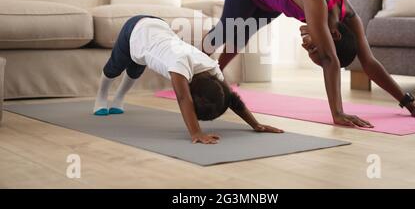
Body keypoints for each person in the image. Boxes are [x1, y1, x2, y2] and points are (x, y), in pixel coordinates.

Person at [203, 0, 415, 128]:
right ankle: (197, 60)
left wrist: (410, 104)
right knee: (227, 31)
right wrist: (338, 113)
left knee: (242, 35)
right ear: (334, 34)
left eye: (311, 50)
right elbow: (330, 58)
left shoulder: (349, 18)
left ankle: (213, 74)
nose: (306, 46)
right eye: (313, 49)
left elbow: (370, 63)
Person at [94, 15, 283, 144]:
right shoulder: (179, 65)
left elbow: (231, 97)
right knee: (114, 68)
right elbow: (184, 99)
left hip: (157, 28)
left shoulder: (211, 66)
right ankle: (101, 96)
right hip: (134, 30)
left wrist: (255, 124)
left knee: (135, 69)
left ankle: (118, 99)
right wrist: (196, 133)